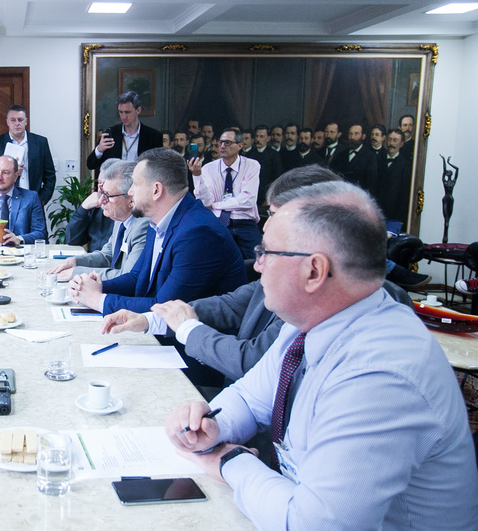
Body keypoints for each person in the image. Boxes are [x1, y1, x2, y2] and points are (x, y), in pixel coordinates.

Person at [165, 181, 478, 531]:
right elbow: (250, 397)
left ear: (314, 270)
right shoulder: (309, 322)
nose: (256, 267)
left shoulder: (381, 373)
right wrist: (210, 422)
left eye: (266, 253)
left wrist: (230, 461)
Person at [101, 165, 412, 387]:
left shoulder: (334, 304)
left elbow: (253, 363)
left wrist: (186, 328)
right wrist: (154, 319)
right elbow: (232, 306)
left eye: (275, 216)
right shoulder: (294, 276)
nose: (259, 262)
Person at [70, 148, 246, 315]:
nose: (130, 192)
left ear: (156, 190)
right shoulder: (158, 221)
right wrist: (98, 286)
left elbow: (164, 307)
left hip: (190, 341)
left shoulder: (198, 233)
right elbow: (136, 278)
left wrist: (99, 300)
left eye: (135, 185)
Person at [45, 160, 147, 281]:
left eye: (108, 195)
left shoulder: (142, 226)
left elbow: (127, 277)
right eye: (102, 191)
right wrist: (75, 261)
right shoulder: (120, 219)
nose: (102, 199)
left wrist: (76, 273)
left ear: (131, 199)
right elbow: (107, 255)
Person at [189, 127, 261, 259]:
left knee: (259, 260)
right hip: (218, 221)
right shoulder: (208, 168)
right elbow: (205, 202)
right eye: (220, 143)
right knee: (210, 258)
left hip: (244, 221)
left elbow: (248, 200)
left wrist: (217, 205)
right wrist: (197, 175)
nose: (222, 146)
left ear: (240, 145)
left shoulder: (251, 165)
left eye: (227, 143)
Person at [0, 105, 57, 205]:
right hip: (5, 202)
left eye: (20, 120)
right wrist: (8, 172)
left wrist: (42, 199)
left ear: (26, 121)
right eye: (13, 120)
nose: (17, 123)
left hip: (33, 201)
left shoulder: (40, 142)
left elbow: (50, 175)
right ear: (7, 122)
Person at [85, 91, 163, 177]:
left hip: (140, 185)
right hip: (114, 186)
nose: (123, 116)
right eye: (120, 112)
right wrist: (99, 150)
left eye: (127, 112)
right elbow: (90, 164)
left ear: (138, 110)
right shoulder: (111, 133)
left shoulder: (153, 136)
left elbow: (159, 168)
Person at [243, 124, 282, 217]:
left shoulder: (274, 155)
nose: (258, 139)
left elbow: (277, 178)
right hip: (251, 196)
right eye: (256, 136)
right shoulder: (249, 155)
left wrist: (269, 198)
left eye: (261, 136)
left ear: (268, 138)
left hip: (266, 197)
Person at [375, 128, 411, 225]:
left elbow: (404, 194)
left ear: (401, 144)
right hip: (377, 212)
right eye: (389, 139)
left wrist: (399, 219)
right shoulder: (377, 160)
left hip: (394, 214)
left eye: (395, 140)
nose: (391, 143)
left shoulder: (405, 165)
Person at [330, 123, 378, 194]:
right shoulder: (340, 155)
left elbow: (371, 184)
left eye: (356, 134)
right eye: (350, 134)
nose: (352, 137)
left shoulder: (370, 156)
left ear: (363, 136)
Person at [64, 186, 114, 252]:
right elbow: (72, 240)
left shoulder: (124, 215)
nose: (100, 190)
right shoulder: (96, 208)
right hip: (95, 259)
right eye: (99, 183)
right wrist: (83, 207)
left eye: (104, 185)